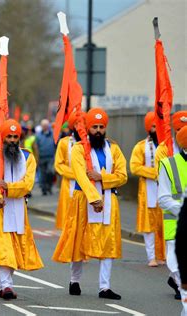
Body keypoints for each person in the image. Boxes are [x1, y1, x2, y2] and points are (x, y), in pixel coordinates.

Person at [52, 108, 127, 300]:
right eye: (95, 127)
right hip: (83, 200)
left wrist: (101, 177)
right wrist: (94, 198)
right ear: (87, 128)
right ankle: (74, 280)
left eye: (102, 127)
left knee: (108, 243)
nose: (99, 131)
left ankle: (104, 287)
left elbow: (122, 176)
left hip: (109, 200)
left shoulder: (114, 149)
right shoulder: (78, 149)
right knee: (79, 240)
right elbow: (81, 176)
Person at [0, 119, 43, 299]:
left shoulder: (28, 157)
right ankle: (7, 285)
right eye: (8, 136)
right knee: (4, 247)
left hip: (18, 208)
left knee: (15, 247)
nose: (11, 140)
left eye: (15, 137)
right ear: (2, 137)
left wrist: (9, 187)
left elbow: (27, 185)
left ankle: (4, 283)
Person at [129, 112, 165, 267]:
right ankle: (151, 256)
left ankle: (163, 255)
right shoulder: (140, 147)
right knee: (148, 226)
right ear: (148, 128)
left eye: (159, 126)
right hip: (148, 192)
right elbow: (134, 167)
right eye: (154, 126)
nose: (157, 129)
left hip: (165, 190)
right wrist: (155, 173)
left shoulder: (167, 146)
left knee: (164, 224)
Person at [158, 125, 187, 301]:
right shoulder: (168, 164)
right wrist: (185, 211)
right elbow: (163, 198)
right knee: (177, 269)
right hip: (175, 228)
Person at [54, 111, 84, 230]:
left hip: (87, 188)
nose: (80, 127)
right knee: (68, 225)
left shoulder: (90, 143)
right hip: (69, 187)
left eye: (82, 124)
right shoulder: (64, 142)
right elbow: (59, 165)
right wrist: (78, 175)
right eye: (77, 124)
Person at [36, 119, 56, 195]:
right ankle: (44, 188)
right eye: (43, 126)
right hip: (41, 157)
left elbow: (55, 145)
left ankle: (49, 186)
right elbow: (36, 146)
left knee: (50, 172)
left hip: (51, 157)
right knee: (43, 173)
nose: (45, 127)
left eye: (46, 125)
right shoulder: (38, 135)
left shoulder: (53, 134)